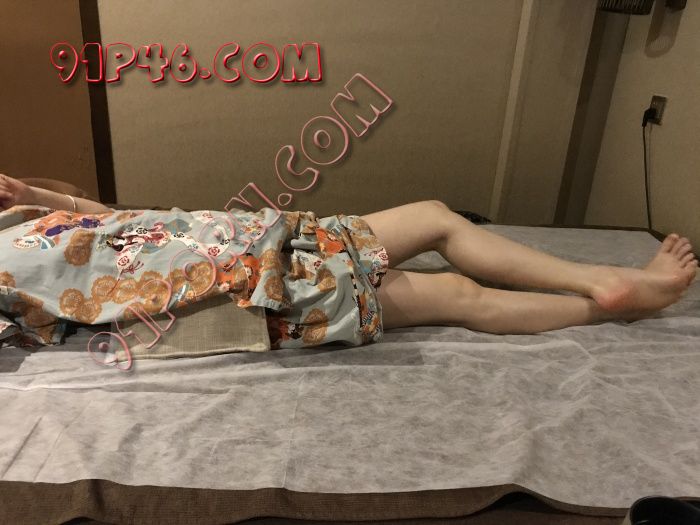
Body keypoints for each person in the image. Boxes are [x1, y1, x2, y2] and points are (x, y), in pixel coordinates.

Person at [0, 174, 697, 350]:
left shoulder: (17, 219)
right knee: (453, 290)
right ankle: (603, 298)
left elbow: (115, 221)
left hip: (249, 238)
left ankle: (603, 285)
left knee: (436, 218)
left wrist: (36, 196)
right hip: (241, 290)